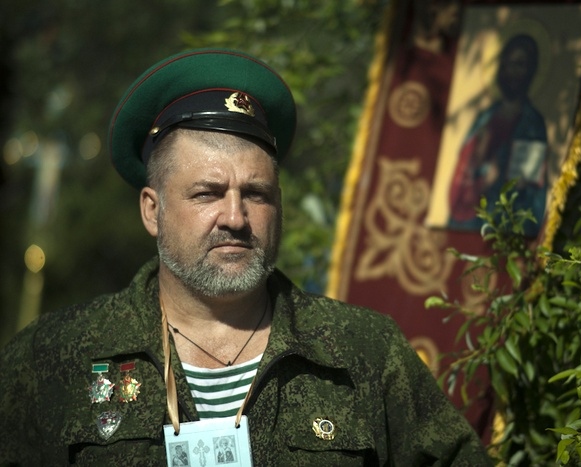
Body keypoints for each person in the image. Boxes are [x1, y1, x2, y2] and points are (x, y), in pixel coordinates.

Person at [0, 48, 492, 465]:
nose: (235, 217)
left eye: (256, 194)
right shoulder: (53, 358)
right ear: (153, 210)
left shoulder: (364, 353)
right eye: (207, 193)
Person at [448, 34, 548, 237]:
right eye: (508, 63)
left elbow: (531, 186)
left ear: (531, 71)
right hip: (470, 218)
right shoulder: (485, 118)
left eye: (520, 64)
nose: (513, 71)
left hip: (506, 223)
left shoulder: (532, 123)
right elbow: (465, 167)